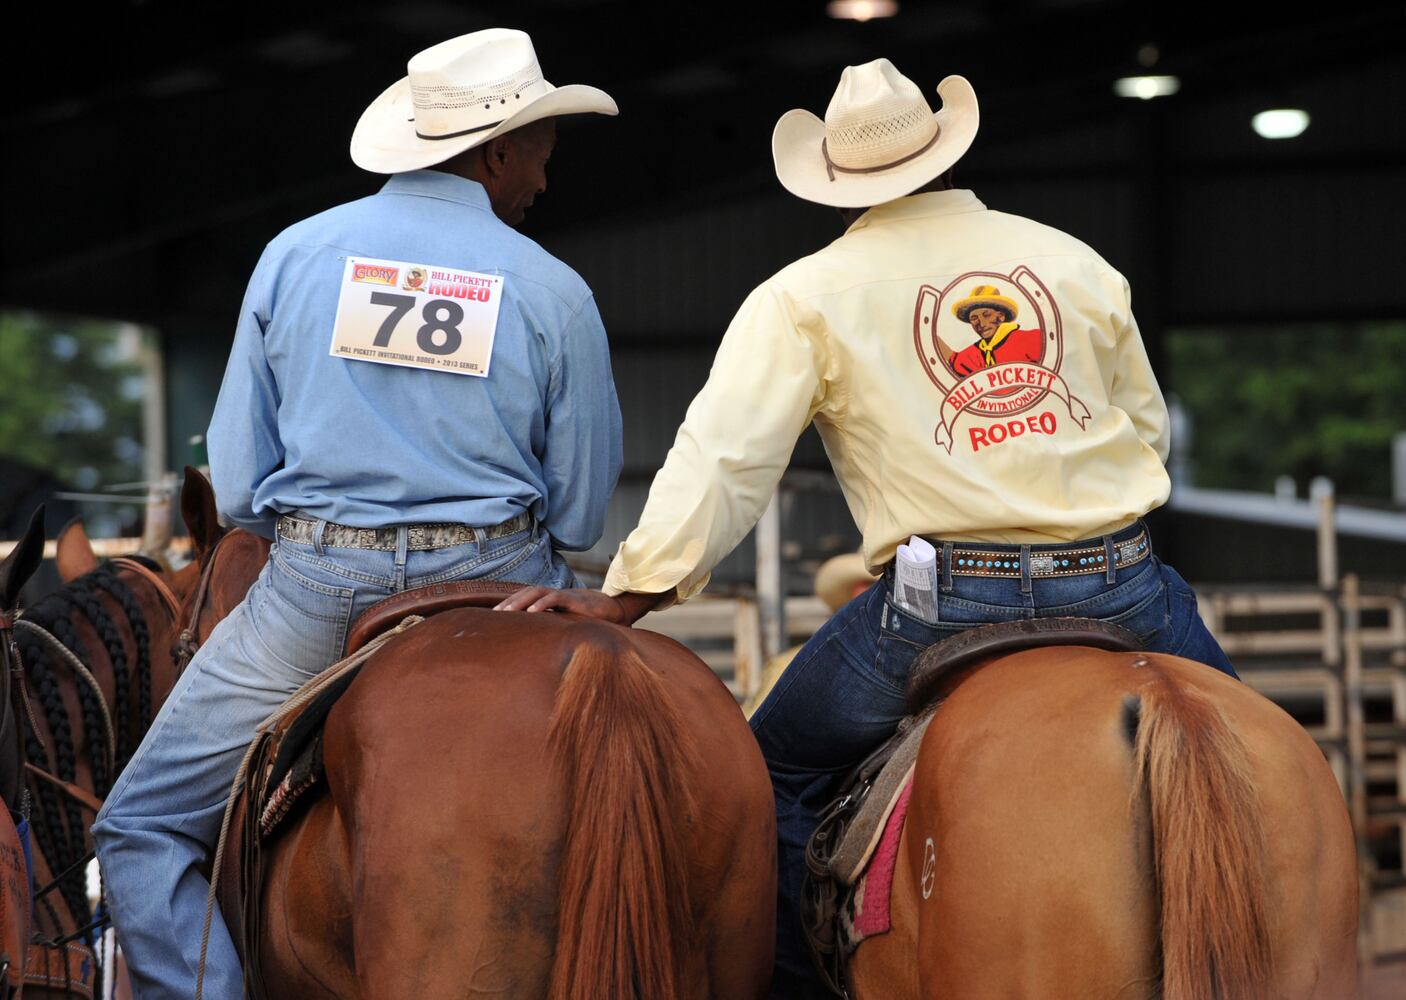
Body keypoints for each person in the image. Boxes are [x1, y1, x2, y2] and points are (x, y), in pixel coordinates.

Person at [497, 57, 1237, 997]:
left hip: (943, 604)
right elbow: (1146, 432)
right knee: (1251, 757)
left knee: (771, 773)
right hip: (1122, 582)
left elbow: (727, 460)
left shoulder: (806, 294)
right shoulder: (1073, 261)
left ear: (837, 184)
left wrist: (632, 592)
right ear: (944, 151)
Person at [92, 28, 621, 998]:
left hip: (319, 590)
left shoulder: (294, 255)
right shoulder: (554, 288)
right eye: (542, 151)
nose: (545, 178)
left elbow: (239, 489)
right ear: (497, 154)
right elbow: (582, 515)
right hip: (502, 584)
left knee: (140, 826)